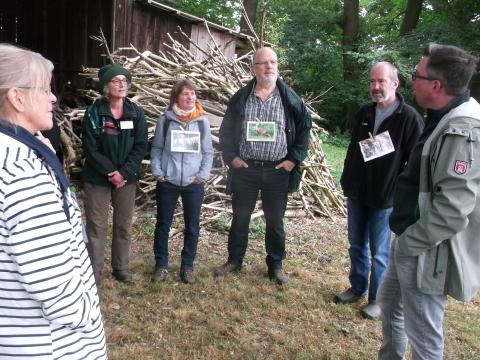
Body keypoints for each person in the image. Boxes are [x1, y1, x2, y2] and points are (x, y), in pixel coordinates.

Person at [0, 44, 106, 359]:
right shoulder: (22, 173)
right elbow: (52, 281)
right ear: (16, 97)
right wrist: (87, 313)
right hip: (51, 344)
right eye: (45, 89)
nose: (53, 98)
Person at [378, 44, 479, 359]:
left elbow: (452, 210)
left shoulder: (463, 129)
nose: (412, 80)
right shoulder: (442, 116)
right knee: (390, 305)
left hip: (426, 250)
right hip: (409, 237)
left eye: (416, 75)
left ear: (436, 85)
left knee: (424, 336)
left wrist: (410, 243)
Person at [214, 47, 312, 285]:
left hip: (277, 171)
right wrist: (232, 157)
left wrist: (293, 160)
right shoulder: (241, 97)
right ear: (254, 68)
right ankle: (235, 261)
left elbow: (304, 129)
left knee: (275, 220)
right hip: (246, 169)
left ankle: (275, 265)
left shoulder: (290, 99)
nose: (269, 67)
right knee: (240, 218)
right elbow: (226, 131)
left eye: (273, 62)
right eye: (263, 63)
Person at [336, 62, 423, 319]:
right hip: (358, 192)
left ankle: (378, 300)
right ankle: (357, 287)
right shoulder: (365, 112)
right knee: (356, 245)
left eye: (381, 81)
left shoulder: (408, 118)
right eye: (372, 81)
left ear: (395, 84)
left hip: (385, 199)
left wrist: (397, 190)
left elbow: (416, 163)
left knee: (380, 252)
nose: (375, 86)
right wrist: (347, 179)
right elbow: (354, 150)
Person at [82, 63, 148, 286]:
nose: (122, 85)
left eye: (125, 81)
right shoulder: (93, 113)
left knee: (123, 224)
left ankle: (121, 268)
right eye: (116, 81)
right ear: (106, 86)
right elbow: (91, 149)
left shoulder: (135, 112)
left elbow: (140, 146)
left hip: (127, 179)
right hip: (98, 177)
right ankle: (95, 272)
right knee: (96, 226)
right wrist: (111, 171)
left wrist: (123, 173)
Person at [150, 79, 213, 284]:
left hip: (193, 183)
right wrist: (158, 171)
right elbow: (157, 148)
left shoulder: (202, 121)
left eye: (193, 94)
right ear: (176, 97)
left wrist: (202, 175)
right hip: (168, 181)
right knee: (163, 225)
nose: (190, 97)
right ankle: (161, 265)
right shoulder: (166, 120)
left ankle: (187, 267)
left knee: (192, 227)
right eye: (186, 94)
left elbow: (208, 151)